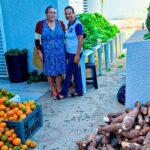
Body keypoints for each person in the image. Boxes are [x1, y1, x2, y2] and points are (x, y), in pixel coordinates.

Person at [35, 6, 66, 97]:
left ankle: (59, 88)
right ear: (46, 14)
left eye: (54, 13)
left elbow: (66, 36)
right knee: (49, 72)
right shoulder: (40, 24)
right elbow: (37, 39)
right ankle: (53, 89)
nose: (52, 14)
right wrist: (39, 51)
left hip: (60, 52)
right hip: (47, 53)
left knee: (59, 72)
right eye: (50, 12)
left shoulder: (60, 23)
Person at [57, 6, 83, 100]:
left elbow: (80, 40)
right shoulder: (69, 24)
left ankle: (63, 93)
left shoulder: (77, 25)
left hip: (75, 53)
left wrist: (77, 55)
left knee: (68, 73)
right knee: (76, 72)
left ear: (74, 13)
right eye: (66, 14)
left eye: (69, 13)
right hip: (69, 51)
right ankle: (79, 91)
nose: (68, 15)